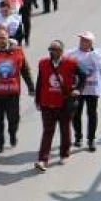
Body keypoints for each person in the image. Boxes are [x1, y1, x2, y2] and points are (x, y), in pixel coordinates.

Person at [0, 25, 35, 156]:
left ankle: (13, 133)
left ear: (8, 37)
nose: (0, 40)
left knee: (13, 119)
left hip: (12, 93)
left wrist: (31, 87)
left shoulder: (18, 51)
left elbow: (25, 70)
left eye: (3, 38)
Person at [34, 40, 83, 172]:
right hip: (47, 103)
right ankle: (42, 160)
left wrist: (78, 89)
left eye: (55, 49)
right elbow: (40, 82)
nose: (52, 51)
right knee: (47, 131)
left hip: (64, 103)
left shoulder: (71, 63)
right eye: (50, 49)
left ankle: (64, 153)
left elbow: (83, 76)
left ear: (61, 51)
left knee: (65, 129)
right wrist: (37, 100)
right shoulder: (43, 63)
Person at [68, 31, 101, 152]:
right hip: (77, 89)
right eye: (81, 39)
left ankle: (91, 140)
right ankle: (78, 137)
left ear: (91, 42)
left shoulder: (98, 55)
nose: (82, 42)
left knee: (92, 114)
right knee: (76, 114)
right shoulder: (72, 54)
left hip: (92, 88)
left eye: (85, 40)